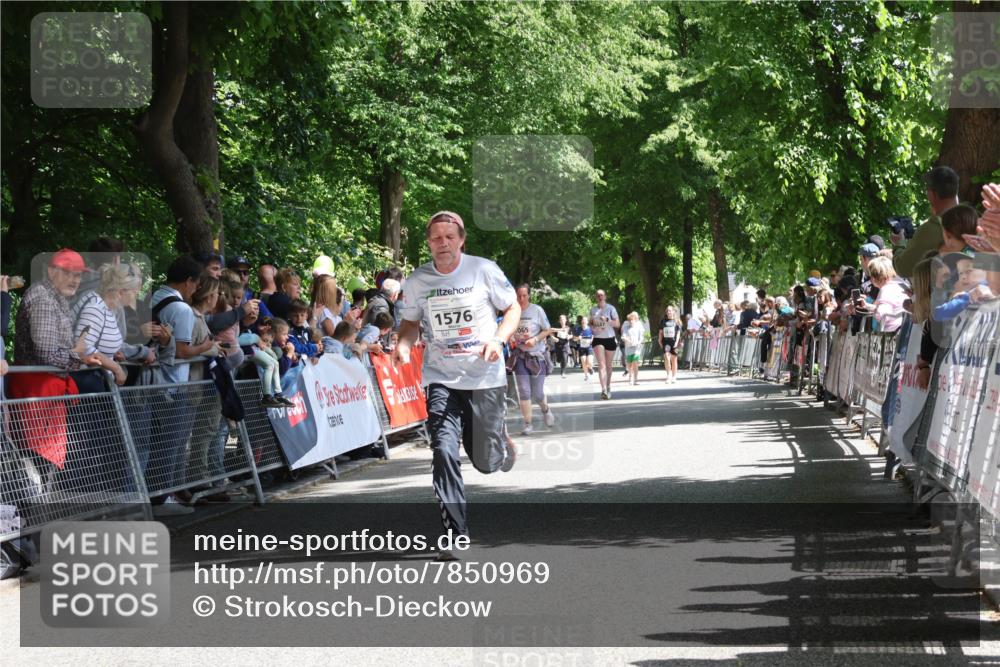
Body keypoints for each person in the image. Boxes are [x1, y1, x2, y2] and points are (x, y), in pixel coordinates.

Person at [392, 210, 519, 557]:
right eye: (436, 238)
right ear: (429, 243)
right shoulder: (418, 280)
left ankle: (500, 441)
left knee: (486, 463)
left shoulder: (483, 270)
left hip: (484, 377)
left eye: (450, 237)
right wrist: (403, 345)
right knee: (443, 450)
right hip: (441, 377)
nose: (443, 243)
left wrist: (498, 340)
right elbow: (410, 323)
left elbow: (512, 309)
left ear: (461, 240)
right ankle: (455, 533)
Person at [148, 255, 217, 516]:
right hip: (172, 385)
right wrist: (207, 347)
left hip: (152, 383)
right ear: (188, 281)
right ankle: (161, 499)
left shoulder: (154, 298)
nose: (196, 290)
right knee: (171, 444)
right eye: (196, 284)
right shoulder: (182, 309)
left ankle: (162, 495)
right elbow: (183, 350)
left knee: (153, 444)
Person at [892, 166, 960, 278]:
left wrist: (899, 244)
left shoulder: (931, 229)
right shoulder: (974, 221)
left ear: (932, 194)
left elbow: (903, 268)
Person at [509, 284, 555, 434]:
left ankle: (545, 409)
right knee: (524, 390)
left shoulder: (537, 310)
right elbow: (507, 329)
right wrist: (510, 338)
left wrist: (535, 340)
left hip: (536, 356)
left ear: (529, 296)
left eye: (524, 295)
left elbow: (547, 330)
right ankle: (528, 424)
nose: (521, 299)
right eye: (519, 296)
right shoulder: (512, 310)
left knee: (538, 394)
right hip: (520, 356)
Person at [589, 289, 620, 400]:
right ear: (596, 298)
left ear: (605, 297)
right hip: (598, 339)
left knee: (608, 365)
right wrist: (594, 328)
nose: (600, 297)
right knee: (601, 365)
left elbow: (617, 324)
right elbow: (591, 324)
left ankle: (608, 386)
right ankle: (603, 390)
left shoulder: (611, 309)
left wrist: (607, 320)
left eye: (602, 295)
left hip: (610, 339)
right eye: (598, 295)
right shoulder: (593, 310)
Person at [658, 305, 681, 384]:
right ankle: (669, 375)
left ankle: (674, 376)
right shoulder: (663, 321)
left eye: (670, 310)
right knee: (667, 357)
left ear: (673, 312)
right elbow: (661, 332)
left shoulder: (677, 321)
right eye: (667, 311)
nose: (669, 312)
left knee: (674, 359)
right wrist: (660, 340)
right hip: (666, 342)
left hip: (674, 342)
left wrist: (677, 342)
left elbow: (678, 333)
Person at [622, 311, 644, 386]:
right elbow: (623, 337)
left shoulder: (638, 327)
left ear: (635, 320)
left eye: (633, 319)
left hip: (636, 348)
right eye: (630, 320)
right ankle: (630, 378)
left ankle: (636, 379)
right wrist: (628, 340)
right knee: (630, 364)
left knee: (635, 362)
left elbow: (641, 337)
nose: (631, 321)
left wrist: (638, 342)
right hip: (628, 348)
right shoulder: (626, 328)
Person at [573, 315, 594, 380]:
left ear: (587, 322)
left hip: (589, 347)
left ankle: (590, 368)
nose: (583, 322)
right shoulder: (578, 329)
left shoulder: (590, 329)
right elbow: (574, 339)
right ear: (581, 322)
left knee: (589, 362)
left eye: (585, 321)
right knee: (584, 362)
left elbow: (593, 336)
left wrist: (591, 340)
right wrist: (578, 338)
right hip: (581, 348)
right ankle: (586, 375)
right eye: (582, 321)